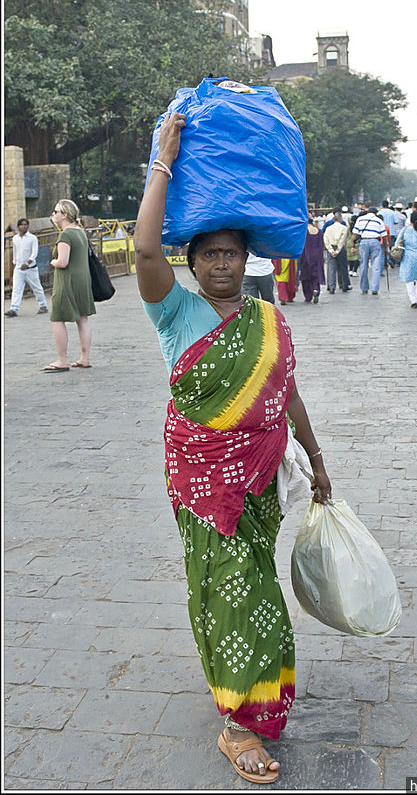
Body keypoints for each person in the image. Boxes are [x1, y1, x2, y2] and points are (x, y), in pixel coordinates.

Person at [134, 112, 332, 785]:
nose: (221, 263)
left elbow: (289, 391)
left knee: (245, 584)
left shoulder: (266, 318)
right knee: (236, 590)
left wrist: (316, 457)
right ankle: (239, 725)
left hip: (261, 481)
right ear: (191, 263)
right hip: (200, 479)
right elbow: (141, 253)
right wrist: (163, 160)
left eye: (230, 254)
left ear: (246, 260)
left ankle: (236, 686)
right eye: (209, 254)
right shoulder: (174, 311)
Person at [42, 199, 95, 372]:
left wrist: (53, 261)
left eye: (56, 212)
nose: (53, 214)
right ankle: (84, 358)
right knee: (83, 319)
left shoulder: (65, 235)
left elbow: (63, 262)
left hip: (67, 281)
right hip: (83, 280)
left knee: (57, 319)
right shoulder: (80, 232)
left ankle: (62, 359)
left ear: (64, 215)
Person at [5, 218, 48, 317]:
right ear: (18, 226)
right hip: (19, 268)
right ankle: (14, 309)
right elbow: (15, 252)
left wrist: (28, 263)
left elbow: (34, 253)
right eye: (22, 225)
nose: (24, 226)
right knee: (16, 289)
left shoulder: (32, 238)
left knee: (36, 287)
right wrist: (15, 264)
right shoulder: (15, 238)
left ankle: (43, 305)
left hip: (31, 268)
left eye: (26, 224)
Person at [352, 206, 387, 295]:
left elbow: (355, 234)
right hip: (375, 241)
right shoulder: (379, 220)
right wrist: (385, 248)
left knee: (363, 265)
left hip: (363, 242)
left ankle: (364, 288)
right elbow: (384, 235)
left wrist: (353, 245)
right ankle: (375, 288)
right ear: (375, 213)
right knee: (376, 266)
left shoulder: (360, 219)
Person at [299, 211, 325, 303]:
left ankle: (308, 296)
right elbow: (322, 245)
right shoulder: (319, 231)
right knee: (316, 274)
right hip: (317, 256)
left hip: (305, 256)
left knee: (305, 276)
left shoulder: (303, 232)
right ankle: (315, 289)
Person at [323, 209, 351, 293]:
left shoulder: (328, 228)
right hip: (340, 248)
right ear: (340, 219)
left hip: (331, 247)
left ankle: (331, 287)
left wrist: (331, 250)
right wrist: (338, 250)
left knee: (331, 268)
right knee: (343, 267)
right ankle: (344, 285)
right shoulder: (344, 228)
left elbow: (325, 239)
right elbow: (342, 240)